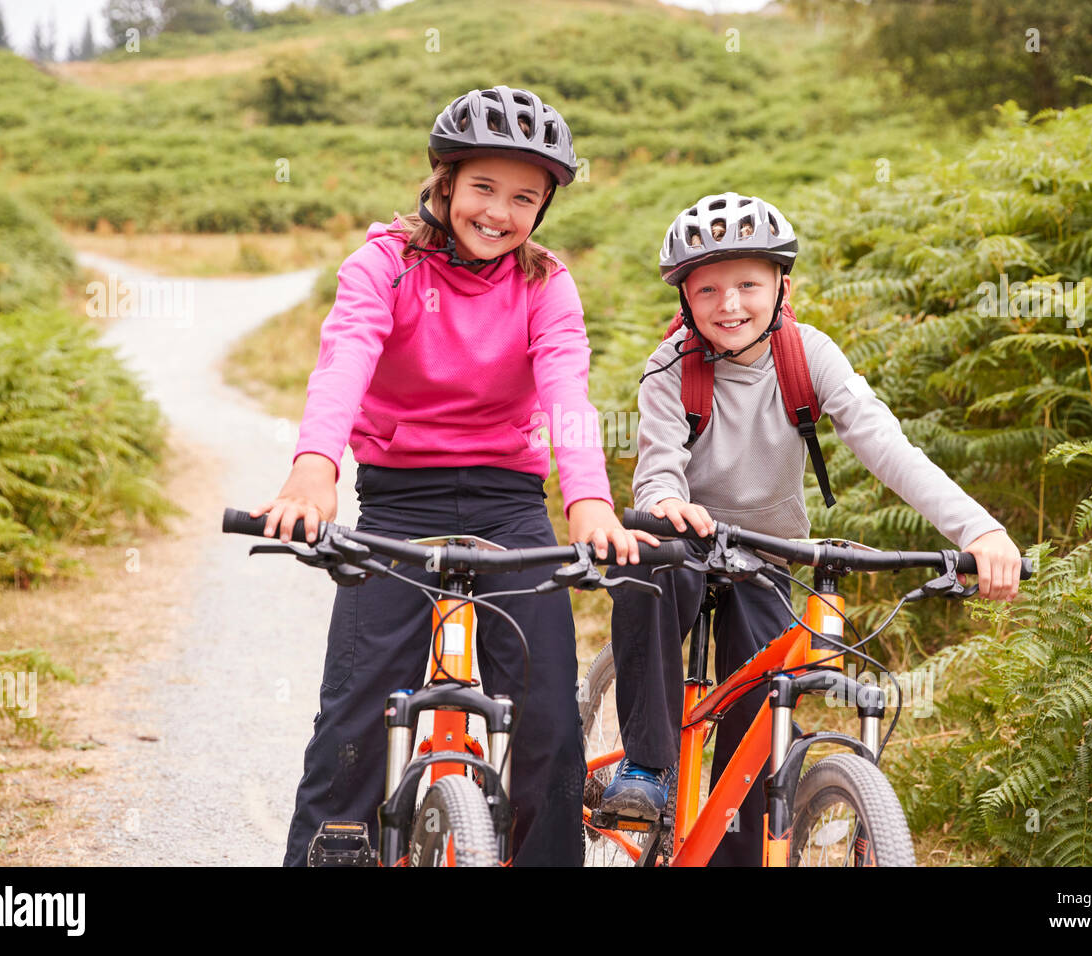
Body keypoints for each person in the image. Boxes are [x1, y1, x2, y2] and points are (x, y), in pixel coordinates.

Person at [251, 85, 654, 867]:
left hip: (510, 507)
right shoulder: (384, 265)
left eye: (524, 198)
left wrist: (591, 502)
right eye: (483, 188)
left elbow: (568, 390)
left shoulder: (546, 284)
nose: (499, 212)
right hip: (400, 501)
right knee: (356, 712)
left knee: (549, 722)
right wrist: (312, 470)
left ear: (543, 208)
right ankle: (331, 851)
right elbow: (345, 361)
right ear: (444, 182)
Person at [598, 192, 1023, 866]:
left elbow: (888, 447)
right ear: (684, 299)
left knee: (759, 716)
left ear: (781, 287)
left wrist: (981, 531)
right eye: (707, 289)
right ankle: (646, 769)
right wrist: (669, 504)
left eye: (747, 285)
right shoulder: (670, 367)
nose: (728, 304)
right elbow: (657, 468)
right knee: (651, 565)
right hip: (689, 542)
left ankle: (733, 848)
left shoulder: (807, 355)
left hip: (766, 553)